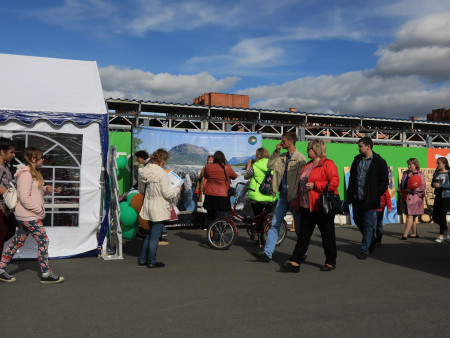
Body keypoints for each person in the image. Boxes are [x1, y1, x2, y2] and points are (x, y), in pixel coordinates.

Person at [0, 147, 64, 283]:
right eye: (41, 157)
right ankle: (46, 274)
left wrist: (45, 190)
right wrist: (39, 210)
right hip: (29, 216)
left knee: (17, 242)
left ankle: (1, 269)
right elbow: (24, 198)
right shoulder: (26, 174)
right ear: (33, 159)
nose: (43, 159)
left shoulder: (33, 173)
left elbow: (33, 194)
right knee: (44, 241)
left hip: (26, 215)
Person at [283, 139, 339, 272]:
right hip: (306, 206)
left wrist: (316, 185)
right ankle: (295, 261)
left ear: (317, 149)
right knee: (303, 236)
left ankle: (330, 262)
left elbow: (334, 183)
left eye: (309, 148)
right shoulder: (307, 165)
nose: (307, 150)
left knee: (327, 235)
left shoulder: (328, 164)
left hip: (321, 206)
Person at [253, 132, 306, 262]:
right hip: (282, 197)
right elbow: (269, 166)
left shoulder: (300, 158)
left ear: (290, 142)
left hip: (294, 198)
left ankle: (302, 252)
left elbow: (300, 180)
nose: (281, 143)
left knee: (299, 228)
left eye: (283, 141)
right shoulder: (281, 156)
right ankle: (267, 253)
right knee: (274, 225)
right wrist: (275, 152)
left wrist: (294, 197)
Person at [137, 149, 180, 268]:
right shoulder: (162, 173)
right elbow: (167, 193)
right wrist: (177, 190)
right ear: (162, 160)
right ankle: (151, 261)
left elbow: (141, 191)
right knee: (154, 235)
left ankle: (142, 259)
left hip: (148, 205)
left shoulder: (143, 171)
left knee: (150, 233)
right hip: (159, 207)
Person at [347, 137, 388, 260]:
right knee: (357, 220)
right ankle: (373, 240)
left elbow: (384, 181)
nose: (358, 148)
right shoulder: (357, 160)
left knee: (368, 224)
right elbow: (352, 177)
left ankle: (365, 249)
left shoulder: (379, 161)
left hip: (369, 199)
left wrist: (376, 193)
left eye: (360, 146)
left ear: (368, 146)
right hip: (356, 197)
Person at [244, 148, 277, 245]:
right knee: (265, 219)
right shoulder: (273, 165)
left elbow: (246, 176)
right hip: (270, 196)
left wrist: (249, 165)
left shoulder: (255, 166)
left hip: (257, 196)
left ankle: (259, 239)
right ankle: (264, 239)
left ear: (258, 155)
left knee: (258, 219)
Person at [202, 151, 238, 233]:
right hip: (223, 196)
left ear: (214, 158)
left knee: (210, 217)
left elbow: (205, 176)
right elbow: (235, 177)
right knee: (220, 218)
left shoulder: (208, 167)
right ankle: (216, 239)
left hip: (210, 195)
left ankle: (210, 236)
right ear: (223, 158)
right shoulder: (227, 167)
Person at [399, 158, 426, 239]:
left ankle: (405, 235)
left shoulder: (420, 174)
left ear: (415, 165)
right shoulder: (405, 173)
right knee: (412, 216)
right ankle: (415, 233)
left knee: (410, 216)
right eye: (408, 164)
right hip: (405, 196)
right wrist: (399, 188)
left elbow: (423, 186)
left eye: (411, 164)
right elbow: (402, 183)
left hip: (415, 198)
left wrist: (412, 190)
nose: (409, 166)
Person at [0, 137, 17, 256]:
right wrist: (9, 193)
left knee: (10, 231)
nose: (14, 155)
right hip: (0, 208)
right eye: (11, 152)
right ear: (2, 152)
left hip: (6, 208)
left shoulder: (6, 166)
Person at [431, 157, 450, 243]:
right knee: (435, 215)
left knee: (442, 214)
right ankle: (446, 229)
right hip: (438, 195)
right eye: (437, 163)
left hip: (447, 196)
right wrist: (434, 184)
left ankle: (441, 235)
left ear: (444, 164)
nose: (437, 165)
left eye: (439, 163)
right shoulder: (436, 172)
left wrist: (441, 185)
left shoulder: (449, 173)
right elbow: (432, 183)